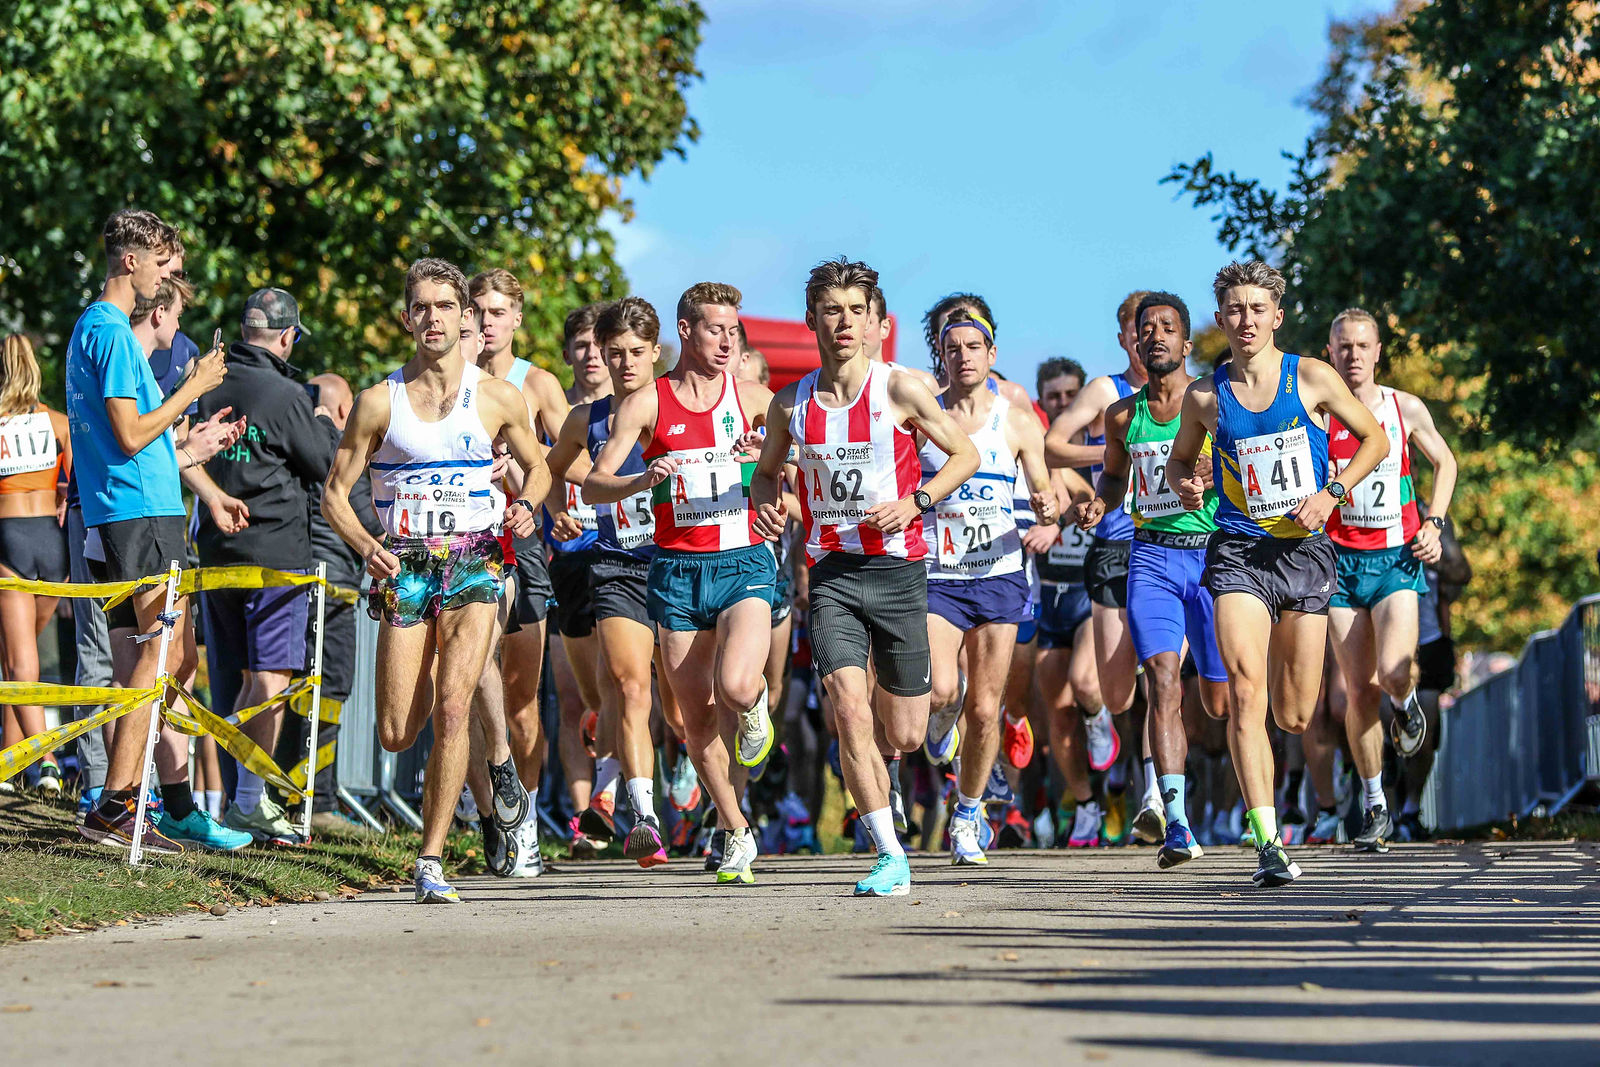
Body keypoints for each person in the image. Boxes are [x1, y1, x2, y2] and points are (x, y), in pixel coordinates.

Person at [322, 257, 549, 903]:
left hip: (477, 557)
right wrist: (368, 546)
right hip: (408, 564)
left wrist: (527, 505)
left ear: (464, 316)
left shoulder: (498, 397)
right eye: (420, 307)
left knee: (454, 705)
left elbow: (539, 467)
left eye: (445, 306)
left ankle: (431, 858)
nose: (433, 318)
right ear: (406, 318)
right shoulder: (379, 402)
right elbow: (334, 494)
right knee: (398, 730)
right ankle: (473, 744)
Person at [752, 257, 978, 896]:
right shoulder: (791, 404)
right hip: (832, 573)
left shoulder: (901, 390)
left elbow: (965, 454)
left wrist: (917, 502)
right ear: (812, 320)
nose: (844, 322)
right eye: (832, 310)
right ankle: (888, 852)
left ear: (875, 321)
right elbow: (766, 474)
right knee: (847, 706)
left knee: (904, 730)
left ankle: (940, 712)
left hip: (898, 570)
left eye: (856, 311)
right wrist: (767, 504)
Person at [1165, 260, 1387, 887]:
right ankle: (1267, 839)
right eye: (1235, 309)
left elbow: (1374, 440)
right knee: (1244, 691)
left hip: (1305, 554)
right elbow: (1181, 463)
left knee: (1294, 714)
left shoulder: (1311, 376)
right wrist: (1187, 485)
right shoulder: (1204, 396)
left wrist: (1332, 492)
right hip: (1239, 552)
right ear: (1220, 318)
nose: (1246, 320)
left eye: (1257, 309)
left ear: (1277, 317)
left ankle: (1297, 790)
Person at [584, 280, 775, 886]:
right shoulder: (647, 404)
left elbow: (799, 463)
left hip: (743, 560)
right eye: (716, 329)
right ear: (686, 331)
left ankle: (754, 705)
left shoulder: (754, 397)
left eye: (734, 330)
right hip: (676, 570)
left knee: (736, 686)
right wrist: (642, 481)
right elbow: (593, 484)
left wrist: (766, 464)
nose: (727, 341)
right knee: (694, 721)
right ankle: (735, 830)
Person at [68, 210, 228, 853]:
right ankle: (118, 802)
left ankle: (132, 800)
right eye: (163, 263)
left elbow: (135, 434)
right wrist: (193, 387)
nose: (168, 276)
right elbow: (131, 433)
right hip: (138, 511)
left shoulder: (97, 327)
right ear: (131, 261)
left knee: (166, 657)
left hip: (131, 509)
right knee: (159, 658)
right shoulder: (109, 330)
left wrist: (187, 446)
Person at [1068, 293, 1231, 868]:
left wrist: (1213, 474)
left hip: (1212, 561)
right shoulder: (1121, 416)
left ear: (1186, 343)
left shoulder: (1214, 402)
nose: (1156, 336)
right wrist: (1098, 502)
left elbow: (1249, 469)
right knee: (1161, 681)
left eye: (1168, 327)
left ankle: (1243, 797)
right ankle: (1176, 823)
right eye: (1147, 329)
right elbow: (1114, 479)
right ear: (1134, 343)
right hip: (1153, 558)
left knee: (1219, 701)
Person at [195, 287, 338, 846]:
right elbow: (324, 463)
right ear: (287, 337)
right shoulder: (286, 394)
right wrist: (322, 419)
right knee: (272, 679)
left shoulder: (207, 383)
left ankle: (235, 799)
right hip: (276, 556)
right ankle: (249, 803)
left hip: (216, 552)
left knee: (234, 680)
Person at [917, 308, 1056, 866]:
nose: (964, 357)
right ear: (942, 357)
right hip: (939, 574)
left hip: (999, 574)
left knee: (985, 709)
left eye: (974, 347)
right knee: (940, 690)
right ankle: (938, 718)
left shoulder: (1017, 421)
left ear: (991, 354)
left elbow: (1044, 490)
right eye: (953, 348)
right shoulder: (923, 417)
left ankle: (968, 814)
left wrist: (1046, 507)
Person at [1322, 308, 1458, 852]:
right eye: (1343, 346)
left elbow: (1445, 463)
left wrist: (1435, 522)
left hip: (1396, 560)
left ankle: (1405, 705)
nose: (1353, 355)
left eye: (1362, 345)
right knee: (1359, 690)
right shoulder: (1314, 414)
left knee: (1396, 671)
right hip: (1337, 564)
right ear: (1330, 353)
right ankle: (1375, 803)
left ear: (1378, 351)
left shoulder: (1404, 407)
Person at [546, 297, 671, 865]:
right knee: (628, 685)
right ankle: (643, 818)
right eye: (614, 353)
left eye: (635, 353)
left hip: (677, 564)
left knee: (681, 707)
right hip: (616, 563)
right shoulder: (586, 419)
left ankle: (642, 775)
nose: (624, 364)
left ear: (655, 352)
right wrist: (558, 509)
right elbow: (550, 467)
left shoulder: (677, 406)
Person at [1042, 292, 1155, 836]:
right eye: (1136, 330)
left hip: (1170, 542)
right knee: (1105, 689)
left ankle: (1158, 795)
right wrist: (1115, 452)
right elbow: (1052, 445)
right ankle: (1114, 772)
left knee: (1166, 679)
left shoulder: (1191, 391)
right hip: (1113, 547)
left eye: (1156, 329)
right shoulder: (1106, 392)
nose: (1146, 339)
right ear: (1122, 338)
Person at [468, 271, 572, 855]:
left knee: (521, 698)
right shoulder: (449, 379)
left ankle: (525, 819)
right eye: (478, 310)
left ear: (516, 319)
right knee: (462, 686)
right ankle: (487, 812)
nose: (487, 322)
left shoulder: (536, 383)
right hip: (463, 544)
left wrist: (540, 490)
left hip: (522, 543)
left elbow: (570, 456)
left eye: (497, 311)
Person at [0, 334, 72, 795]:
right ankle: (9, 766)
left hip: (9, 541)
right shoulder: (59, 423)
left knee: (19, 662)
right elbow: (78, 485)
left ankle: (46, 759)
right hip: (53, 545)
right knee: (14, 658)